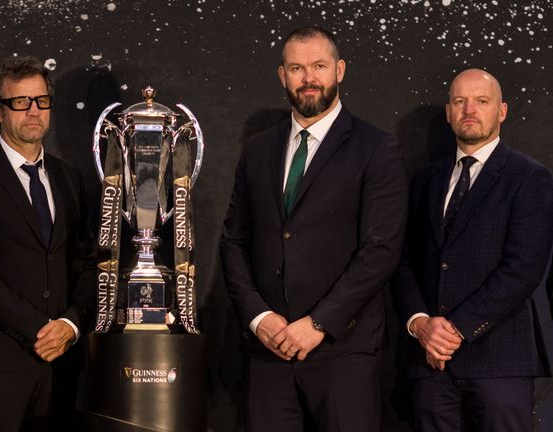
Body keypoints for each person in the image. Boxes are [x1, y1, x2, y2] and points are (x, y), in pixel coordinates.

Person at [220, 26, 408, 432]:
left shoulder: (376, 148)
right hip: (268, 349)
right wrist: (258, 317)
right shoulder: (258, 150)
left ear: (339, 70)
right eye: (297, 68)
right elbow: (235, 241)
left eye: (319, 66)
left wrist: (318, 323)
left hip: (343, 352)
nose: (308, 78)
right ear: (281, 75)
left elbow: (381, 251)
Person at [392, 68, 553, 432]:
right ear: (448, 111)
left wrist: (454, 330)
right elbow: (403, 262)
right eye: (460, 101)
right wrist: (420, 325)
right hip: (429, 363)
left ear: (502, 111)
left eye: (482, 101)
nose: (469, 110)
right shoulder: (423, 180)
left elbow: (523, 268)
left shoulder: (529, 177)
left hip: (500, 362)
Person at [0, 55, 95, 431]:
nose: (33, 111)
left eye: (42, 101)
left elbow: (88, 262)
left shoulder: (69, 177)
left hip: (63, 359)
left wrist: (70, 327)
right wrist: (41, 329)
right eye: (20, 102)